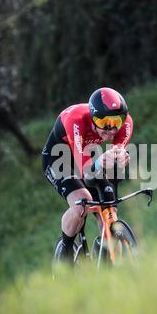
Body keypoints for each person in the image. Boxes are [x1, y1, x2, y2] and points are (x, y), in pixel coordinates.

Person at [42, 87, 133, 261]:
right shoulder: (75, 120)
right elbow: (86, 171)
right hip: (59, 158)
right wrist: (100, 162)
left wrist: (119, 155)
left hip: (87, 155)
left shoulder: (126, 123)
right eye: (105, 121)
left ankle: (110, 260)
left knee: (109, 207)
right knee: (81, 203)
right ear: (93, 117)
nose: (111, 129)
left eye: (116, 122)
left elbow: (116, 152)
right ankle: (65, 252)